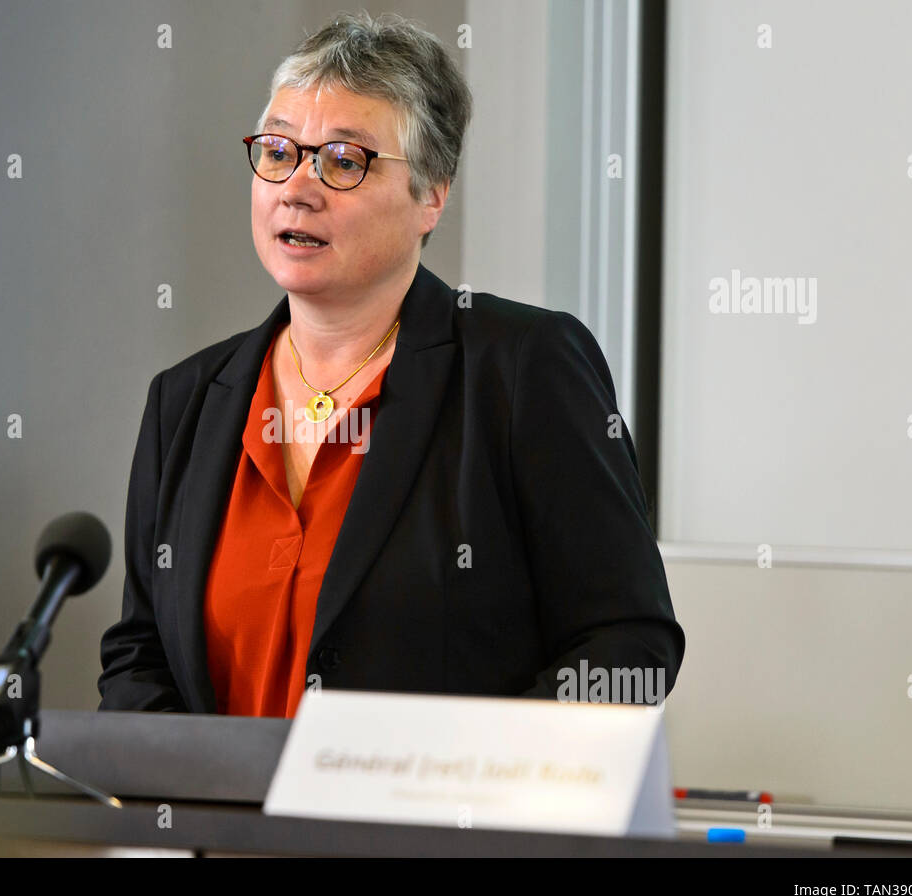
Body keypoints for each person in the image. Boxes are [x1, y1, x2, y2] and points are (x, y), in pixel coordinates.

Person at [97, 12, 683, 715]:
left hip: (442, 821)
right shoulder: (186, 402)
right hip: (223, 826)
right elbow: (140, 654)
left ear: (431, 196)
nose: (298, 187)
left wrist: (464, 780)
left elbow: (630, 646)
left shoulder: (524, 368)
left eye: (344, 161)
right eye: (279, 151)